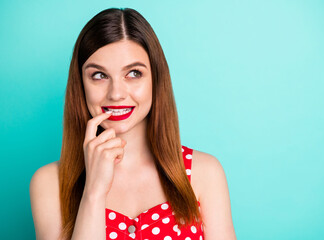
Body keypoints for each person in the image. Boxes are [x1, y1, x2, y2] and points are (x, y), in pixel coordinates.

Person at [30, 7, 236, 240]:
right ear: (81, 84)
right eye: (99, 75)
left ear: (155, 80)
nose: (116, 93)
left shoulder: (204, 173)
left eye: (134, 73)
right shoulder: (48, 184)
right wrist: (94, 192)